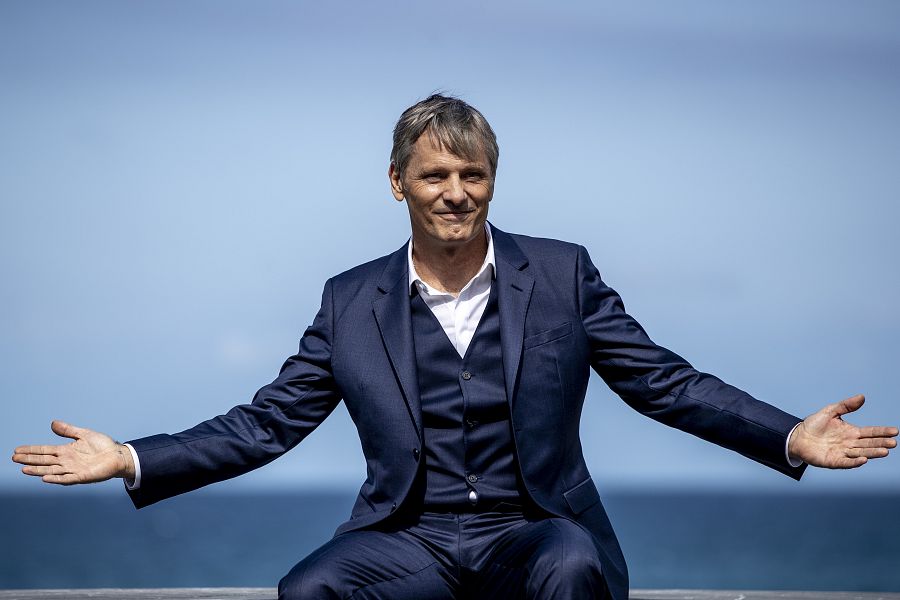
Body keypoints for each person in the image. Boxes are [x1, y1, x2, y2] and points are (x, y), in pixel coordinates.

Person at [12, 94, 898, 600]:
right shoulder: (349, 300)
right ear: (397, 183)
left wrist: (788, 436)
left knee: (573, 568)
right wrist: (132, 456)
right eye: (435, 174)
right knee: (306, 593)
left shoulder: (561, 276)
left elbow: (664, 381)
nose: (455, 192)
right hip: (410, 537)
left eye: (473, 175)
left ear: (492, 183)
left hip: (535, 529)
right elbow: (266, 424)